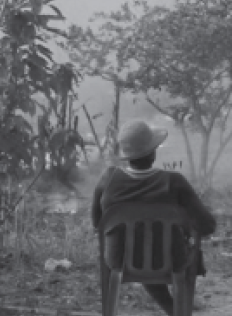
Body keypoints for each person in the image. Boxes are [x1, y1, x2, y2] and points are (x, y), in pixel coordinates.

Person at [92, 120, 217, 316]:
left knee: (140, 251)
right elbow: (207, 225)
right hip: (170, 260)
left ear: (126, 155)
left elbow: (97, 223)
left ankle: (173, 309)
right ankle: (178, 310)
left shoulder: (108, 178)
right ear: (153, 153)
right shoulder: (174, 182)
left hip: (118, 260)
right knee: (170, 251)